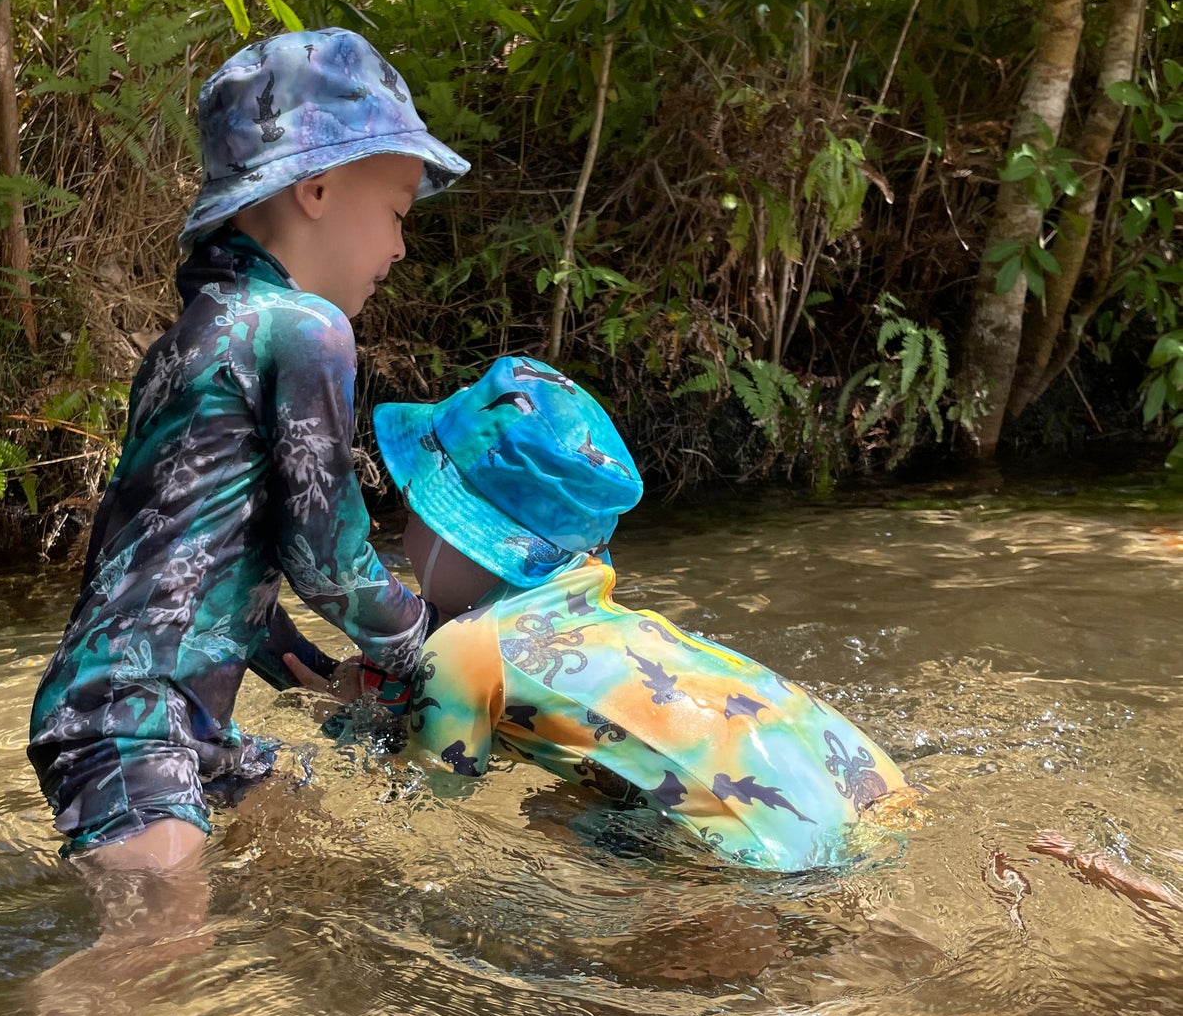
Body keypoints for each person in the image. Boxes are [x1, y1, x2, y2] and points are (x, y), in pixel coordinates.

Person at [28, 28, 468, 871]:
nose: (401, 247)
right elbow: (325, 560)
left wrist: (315, 668)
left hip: (144, 705)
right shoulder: (306, 331)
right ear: (318, 186)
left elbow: (197, 563)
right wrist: (428, 645)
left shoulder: (194, 337)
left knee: (307, 848)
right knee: (157, 947)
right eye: (397, 212)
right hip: (137, 714)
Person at [369, 355, 910, 872]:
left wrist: (361, 723)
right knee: (569, 805)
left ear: (460, 530)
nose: (400, 532)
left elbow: (430, 805)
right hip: (874, 789)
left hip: (763, 854)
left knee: (551, 820)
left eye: (412, 509)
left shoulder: (466, 648)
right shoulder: (619, 629)